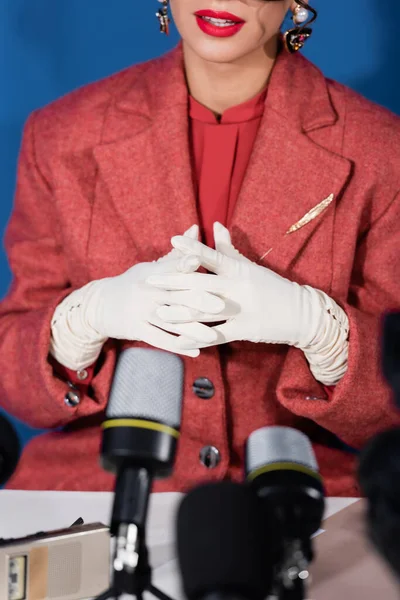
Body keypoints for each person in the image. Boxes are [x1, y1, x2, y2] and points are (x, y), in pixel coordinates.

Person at [0, 0, 399, 495]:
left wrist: (324, 332)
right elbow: (13, 382)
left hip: (296, 490)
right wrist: (78, 322)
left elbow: (389, 416)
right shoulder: (60, 135)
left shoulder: (382, 151)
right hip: (97, 488)